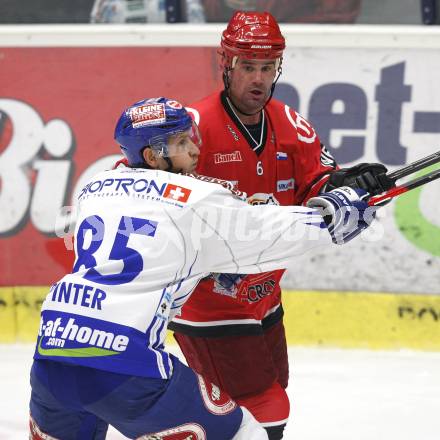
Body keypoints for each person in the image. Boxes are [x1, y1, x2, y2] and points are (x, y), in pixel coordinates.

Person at [28, 96, 377, 439]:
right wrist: (336, 215)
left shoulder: (93, 188)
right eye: (181, 142)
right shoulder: (196, 201)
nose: (195, 150)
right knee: (246, 433)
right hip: (124, 363)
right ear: (152, 156)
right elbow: (269, 234)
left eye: (191, 137)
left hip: (51, 353)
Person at [168, 11, 395, 440]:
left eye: (267, 67)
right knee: (263, 406)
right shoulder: (193, 129)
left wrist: (347, 183)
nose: (258, 78)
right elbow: (150, 186)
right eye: (248, 67)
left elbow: (318, 183)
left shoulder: (291, 124)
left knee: (265, 398)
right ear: (227, 64)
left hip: (265, 295)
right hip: (206, 303)